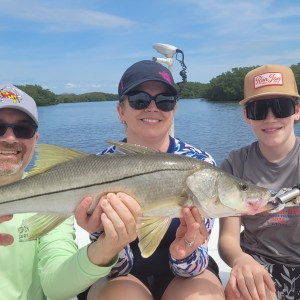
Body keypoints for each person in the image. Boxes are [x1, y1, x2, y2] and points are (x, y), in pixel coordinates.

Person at [76, 60, 225, 300]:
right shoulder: (96, 169)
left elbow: (195, 266)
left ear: (173, 110)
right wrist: (101, 236)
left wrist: (183, 252)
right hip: (122, 274)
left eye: (165, 100)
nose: (153, 108)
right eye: (139, 100)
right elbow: (115, 270)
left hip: (186, 274)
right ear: (121, 111)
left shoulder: (201, 164)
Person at [0, 83, 141, 299]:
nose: (10, 138)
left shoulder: (59, 197)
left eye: (23, 129)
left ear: (35, 139)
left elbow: (55, 287)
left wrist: (105, 248)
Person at [218, 64, 300, 300]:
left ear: (296, 110)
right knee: (240, 292)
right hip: (259, 261)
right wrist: (239, 259)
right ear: (247, 116)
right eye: (259, 109)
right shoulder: (235, 164)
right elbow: (228, 238)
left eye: (280, 107)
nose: (270, 118)